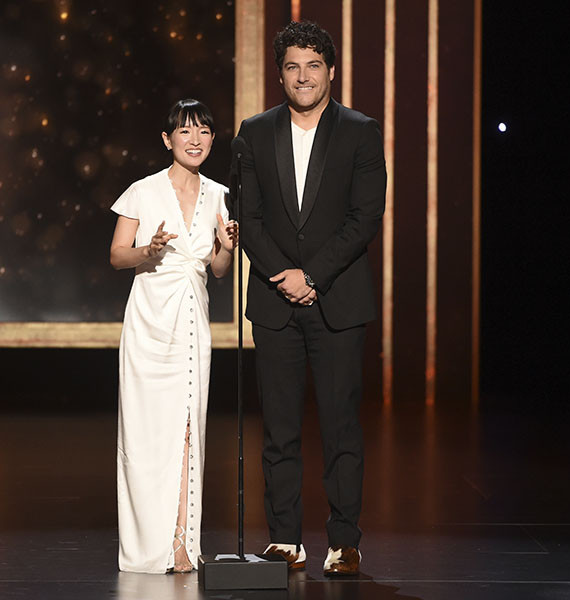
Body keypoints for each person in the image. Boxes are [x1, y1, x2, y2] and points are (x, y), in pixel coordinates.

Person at [235, 21, 386, 576]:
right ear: (280, 74)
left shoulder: (360, 131)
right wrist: (283, 274)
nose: (303, 76)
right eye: (293, 66)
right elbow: (246, 218)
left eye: (313, 65)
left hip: (338, 303)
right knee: (278, 427)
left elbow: (365, 215)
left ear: (331, 70)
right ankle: (284, 538)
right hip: (276, 305)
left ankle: (344, 540)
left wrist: (312, 276)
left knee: (341, 424)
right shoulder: (253, 132)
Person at [110, 99, 238, 574]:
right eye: (185, 132)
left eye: (204, 131)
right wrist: (150, 248)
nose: (195, 140)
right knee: (147, 436)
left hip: (192, 322)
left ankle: (184, 545)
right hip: (149, 322)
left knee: (189, 429)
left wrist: (226, 247)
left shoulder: (221, 194)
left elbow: (218, 270)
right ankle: (148, 547)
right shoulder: (142, 191)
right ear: (168, 140)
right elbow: (118, 256)